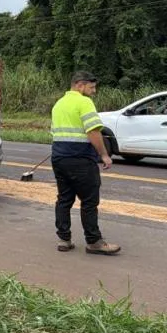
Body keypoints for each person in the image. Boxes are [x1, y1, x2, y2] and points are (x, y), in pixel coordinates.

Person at [50, 71, 120, 255]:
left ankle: (64, 239)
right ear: (80, 85)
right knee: (89, 201)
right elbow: (93, 132)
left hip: (59, 158)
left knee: (64, 199)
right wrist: (104, 155)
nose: (94, 91)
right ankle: (94, 242)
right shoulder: (84, 102)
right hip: (80, 159)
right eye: (92, 87)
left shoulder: (59, 103)